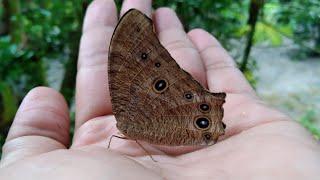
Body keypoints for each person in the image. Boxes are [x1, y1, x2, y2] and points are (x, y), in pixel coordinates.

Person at [0, 0, 319, 179]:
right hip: (191, 117)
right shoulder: (127, 123)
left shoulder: (129, 117)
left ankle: (204, 121)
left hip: (193, 115)